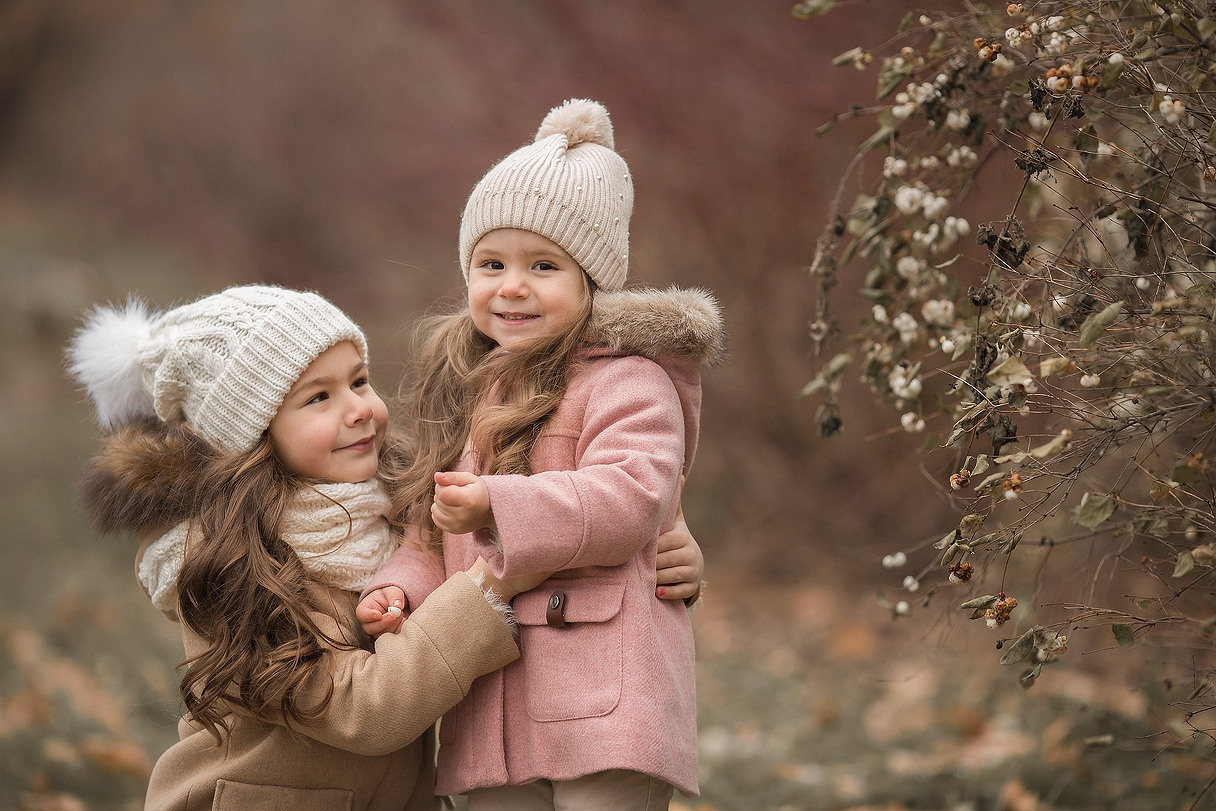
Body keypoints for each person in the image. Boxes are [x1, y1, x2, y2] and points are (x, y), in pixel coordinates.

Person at [67, 284, 704, 810]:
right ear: (251, 435)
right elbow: (363, 708)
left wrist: (662, 549)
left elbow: (555, 500)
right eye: (319, 397)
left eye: (361, 380)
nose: (360, 409)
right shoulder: (220, 565)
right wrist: (490, 579)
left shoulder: (389, 501)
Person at [360, 99, 723, 809]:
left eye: (544, 265)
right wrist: (401, 586)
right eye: (491, 262)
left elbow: (630, 496)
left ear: (592, 281)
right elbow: (430, 530)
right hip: (489, 701)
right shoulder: (467, 389)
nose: (512, 285)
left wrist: (501, 501)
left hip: (601, 696)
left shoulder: (628, 378)